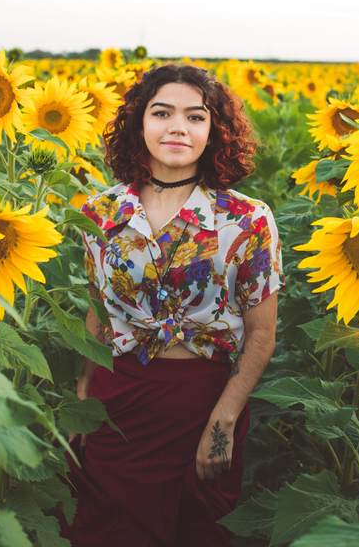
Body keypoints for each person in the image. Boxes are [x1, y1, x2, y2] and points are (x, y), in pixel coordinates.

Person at [59, 64, 282, 547]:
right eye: (162, 113)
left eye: (195, 117)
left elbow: (262, 333)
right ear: (139, 123)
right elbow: (99, 311)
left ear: (214, 130)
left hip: (203, 407)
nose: (178, 127)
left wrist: (223, 421)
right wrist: (82, 392)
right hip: (116, 403)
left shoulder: (247, 219)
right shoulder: (101, 212)